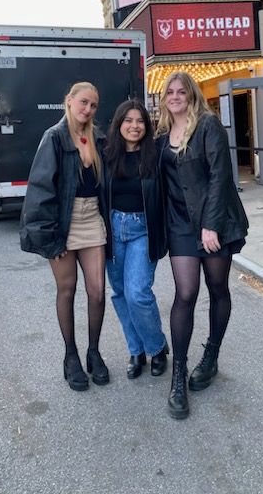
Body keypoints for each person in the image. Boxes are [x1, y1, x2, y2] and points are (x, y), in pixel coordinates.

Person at [156, 71, 248, 419]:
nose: (176, 96)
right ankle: (177, 376)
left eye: (182, 91)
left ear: (192, 95)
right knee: (186, 293)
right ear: (165, 97)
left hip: (213, 222)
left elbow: (220, 175)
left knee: (217, 287)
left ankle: (211, 355)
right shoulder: (163, 134)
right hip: (180, 225)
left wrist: (211, 224)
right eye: (170, 91)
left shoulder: (208, 126)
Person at [20, 82, 109, 392]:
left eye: (94, 105)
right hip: (62, 221)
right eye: (83, 102)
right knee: (67, 290)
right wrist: (49, 238)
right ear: (69, 101)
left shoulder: (98, 137)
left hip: (91, 218)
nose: (88, 109)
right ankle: (70, 356)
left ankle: (93, 351)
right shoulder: (54, 137)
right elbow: (40, 189)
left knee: (97, 292)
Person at [102, 99, 169, 379]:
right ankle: (136, 349)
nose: (134, 126)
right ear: (119, 124)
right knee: (119, 293)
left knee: (138, 293)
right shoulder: (105, 155)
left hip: (143, 228)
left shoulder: (157, 154)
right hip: (113, 229)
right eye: (128, 120)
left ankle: (157, 347)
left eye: (140, 121)